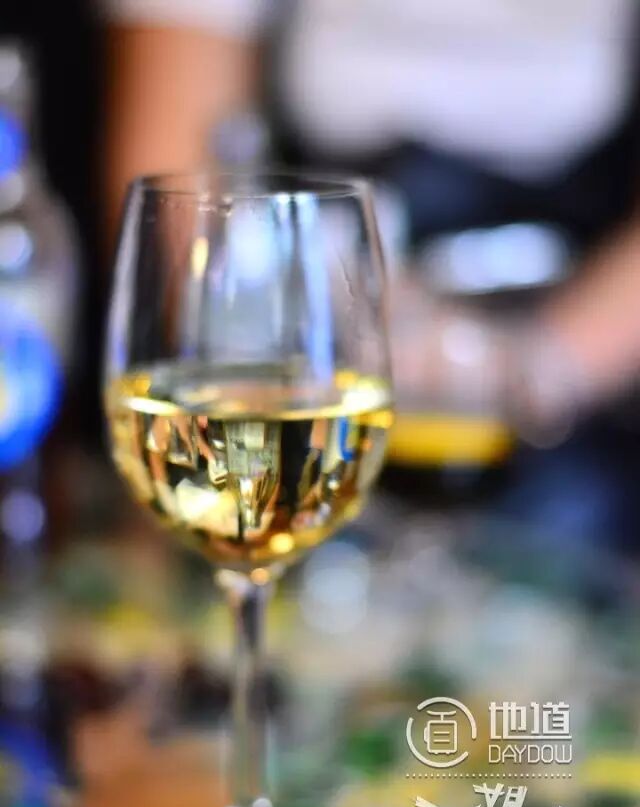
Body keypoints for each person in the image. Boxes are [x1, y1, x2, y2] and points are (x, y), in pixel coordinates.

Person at [101, 0, 640, 549]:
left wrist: (536, 368)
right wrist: (264, 343)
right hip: (310, 326)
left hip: (566, 365)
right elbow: (177, 176)